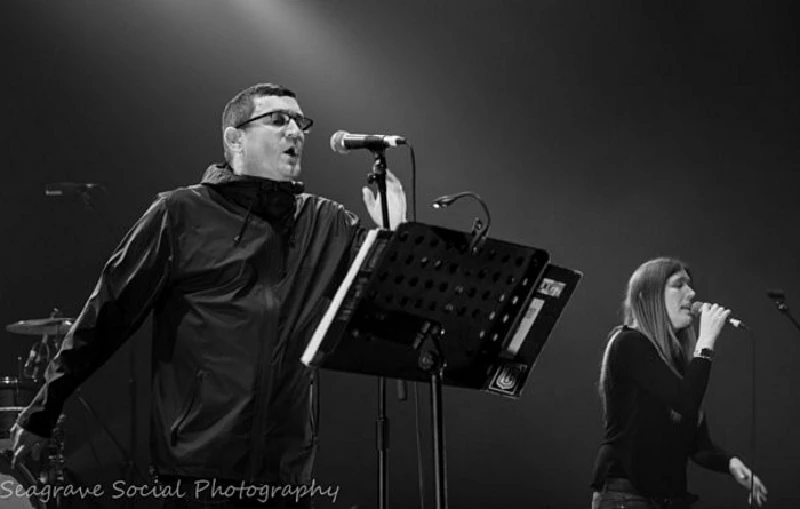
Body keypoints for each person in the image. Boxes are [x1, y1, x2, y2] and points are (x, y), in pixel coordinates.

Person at [10, 82, 406, 508]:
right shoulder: (180, 214)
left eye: (299, 122)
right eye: (277, 120)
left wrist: (393, 231)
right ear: (234, 139)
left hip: (286, 472)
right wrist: (43, 411)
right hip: (197, 469)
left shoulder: (326, 222)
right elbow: (105, 316)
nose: (295, 130)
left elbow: (384, 313)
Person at [590, 257, 768, 509]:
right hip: (627, 496)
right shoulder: (628, 343)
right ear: (647, 296)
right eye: (678, 285)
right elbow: (685, 402)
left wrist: (730, 463)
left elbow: (698, 445)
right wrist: (705, 343)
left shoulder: (678, 361)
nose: (692, 292)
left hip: (667, 499)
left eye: (690, 285)